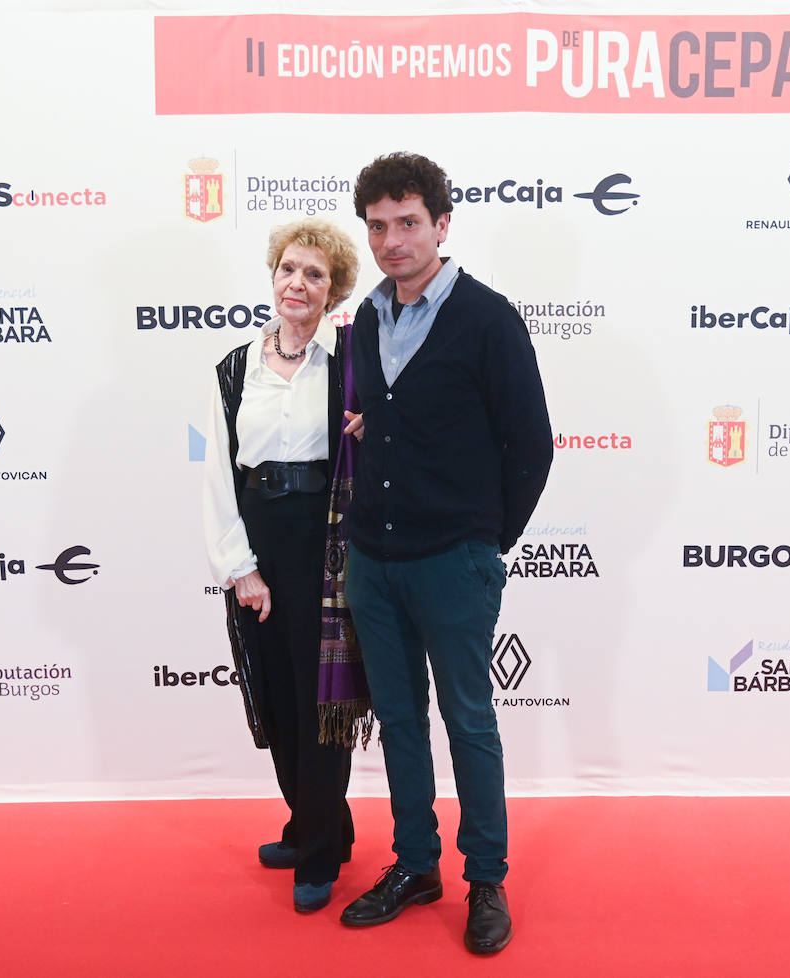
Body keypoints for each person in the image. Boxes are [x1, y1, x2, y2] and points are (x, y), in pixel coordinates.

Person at [337, 152, 553, 955]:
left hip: (452, 560)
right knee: (397, 720)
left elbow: (531, 445)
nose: (392, 241)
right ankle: (415, 864)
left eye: (408, 223)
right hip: (373, 559)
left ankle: (485, 877)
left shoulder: (489, 319)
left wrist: (484, 543)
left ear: (441, 224)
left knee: (468, 721)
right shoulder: (364, 319)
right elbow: (379, 420)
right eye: (378, 227)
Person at [202, 218, 372, 914]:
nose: (297, 284)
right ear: (273, 276)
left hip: (328, 546)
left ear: (333, 292)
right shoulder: (235, 366)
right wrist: (241, 567)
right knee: (276, 694)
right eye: (289, 270)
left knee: (322, 703)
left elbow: (381, 454)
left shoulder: (353, 362)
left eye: (314, 275)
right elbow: (219, 472)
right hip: (261, 541)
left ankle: (320, 851)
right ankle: (314, 822)